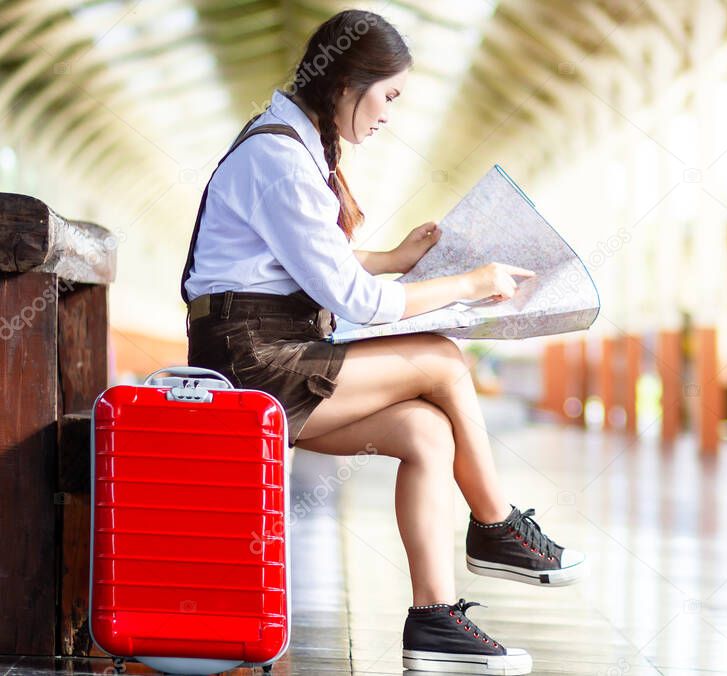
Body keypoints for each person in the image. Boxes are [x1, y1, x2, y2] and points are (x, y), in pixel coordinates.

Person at [180, 9, 585, 674]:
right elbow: (354, 300)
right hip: (252, 364)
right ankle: (495, 526)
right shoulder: (279, 158)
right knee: (444, 360)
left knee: (427, 432)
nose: (390, 113)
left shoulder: (292, 145)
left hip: (272, 355)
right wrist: (468, 282)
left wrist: (396, 258)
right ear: (348, 82)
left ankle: (434, 620)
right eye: (389, 95)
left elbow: (306, 263)